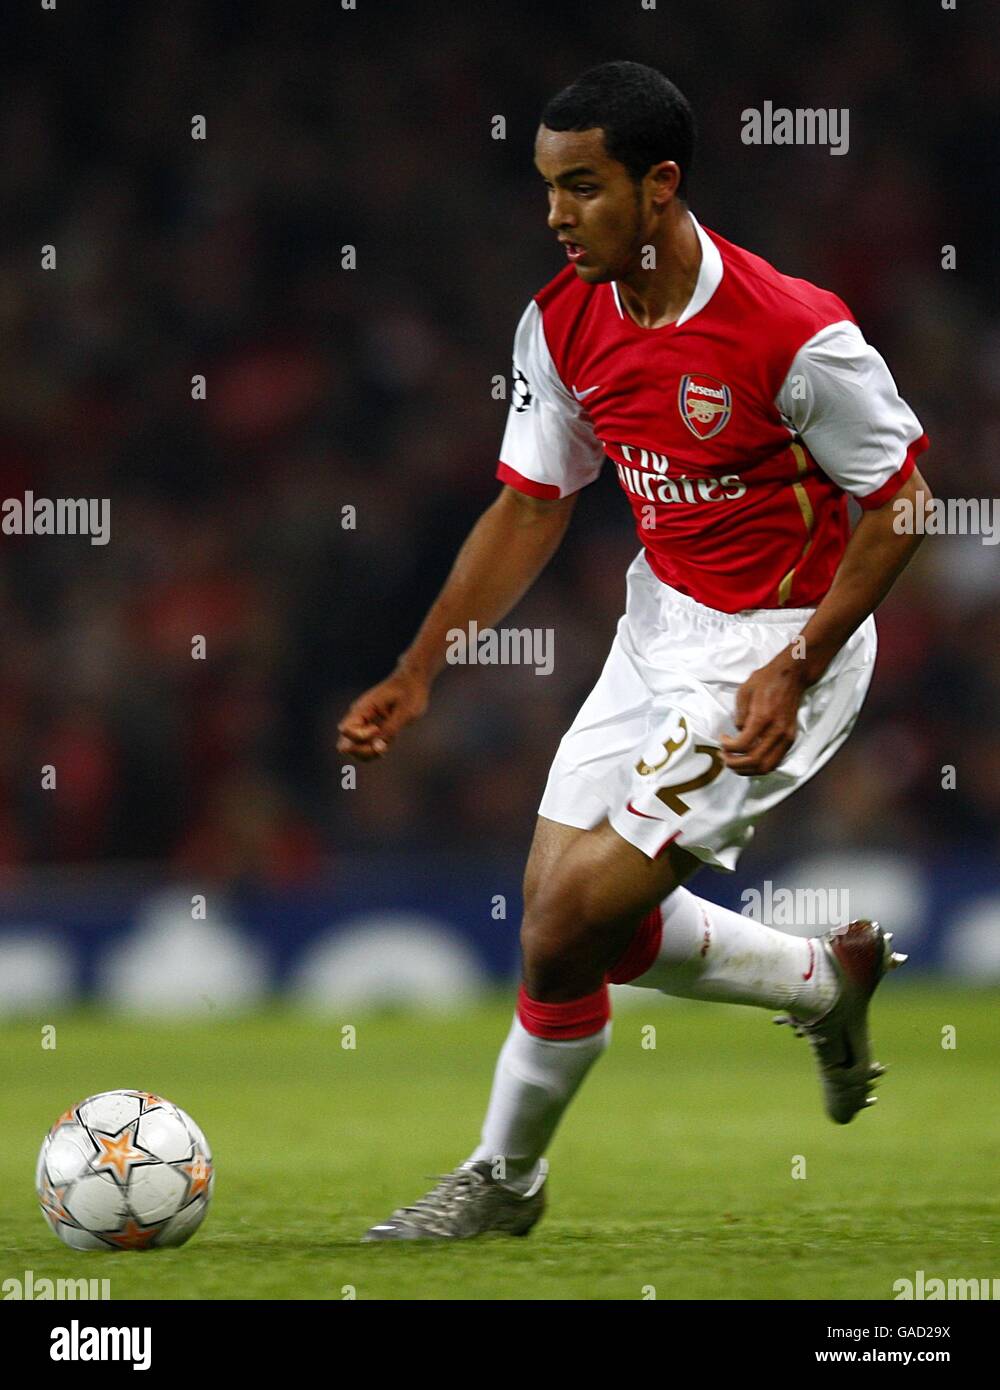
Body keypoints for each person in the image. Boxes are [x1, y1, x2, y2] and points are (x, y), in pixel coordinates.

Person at [337, 61, 929, 1241]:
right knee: (562, 915)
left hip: (780, 643)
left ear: (660, 186)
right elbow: (530, 506)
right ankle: (822, 983)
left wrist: (796, 664)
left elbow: (903, 505)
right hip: (657, 625)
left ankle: (501, 1184)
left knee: (565, 929)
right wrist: (422, 664)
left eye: (583, 187)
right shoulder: (560, 320)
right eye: (547, 188)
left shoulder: (794, 334)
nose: (556, 215)